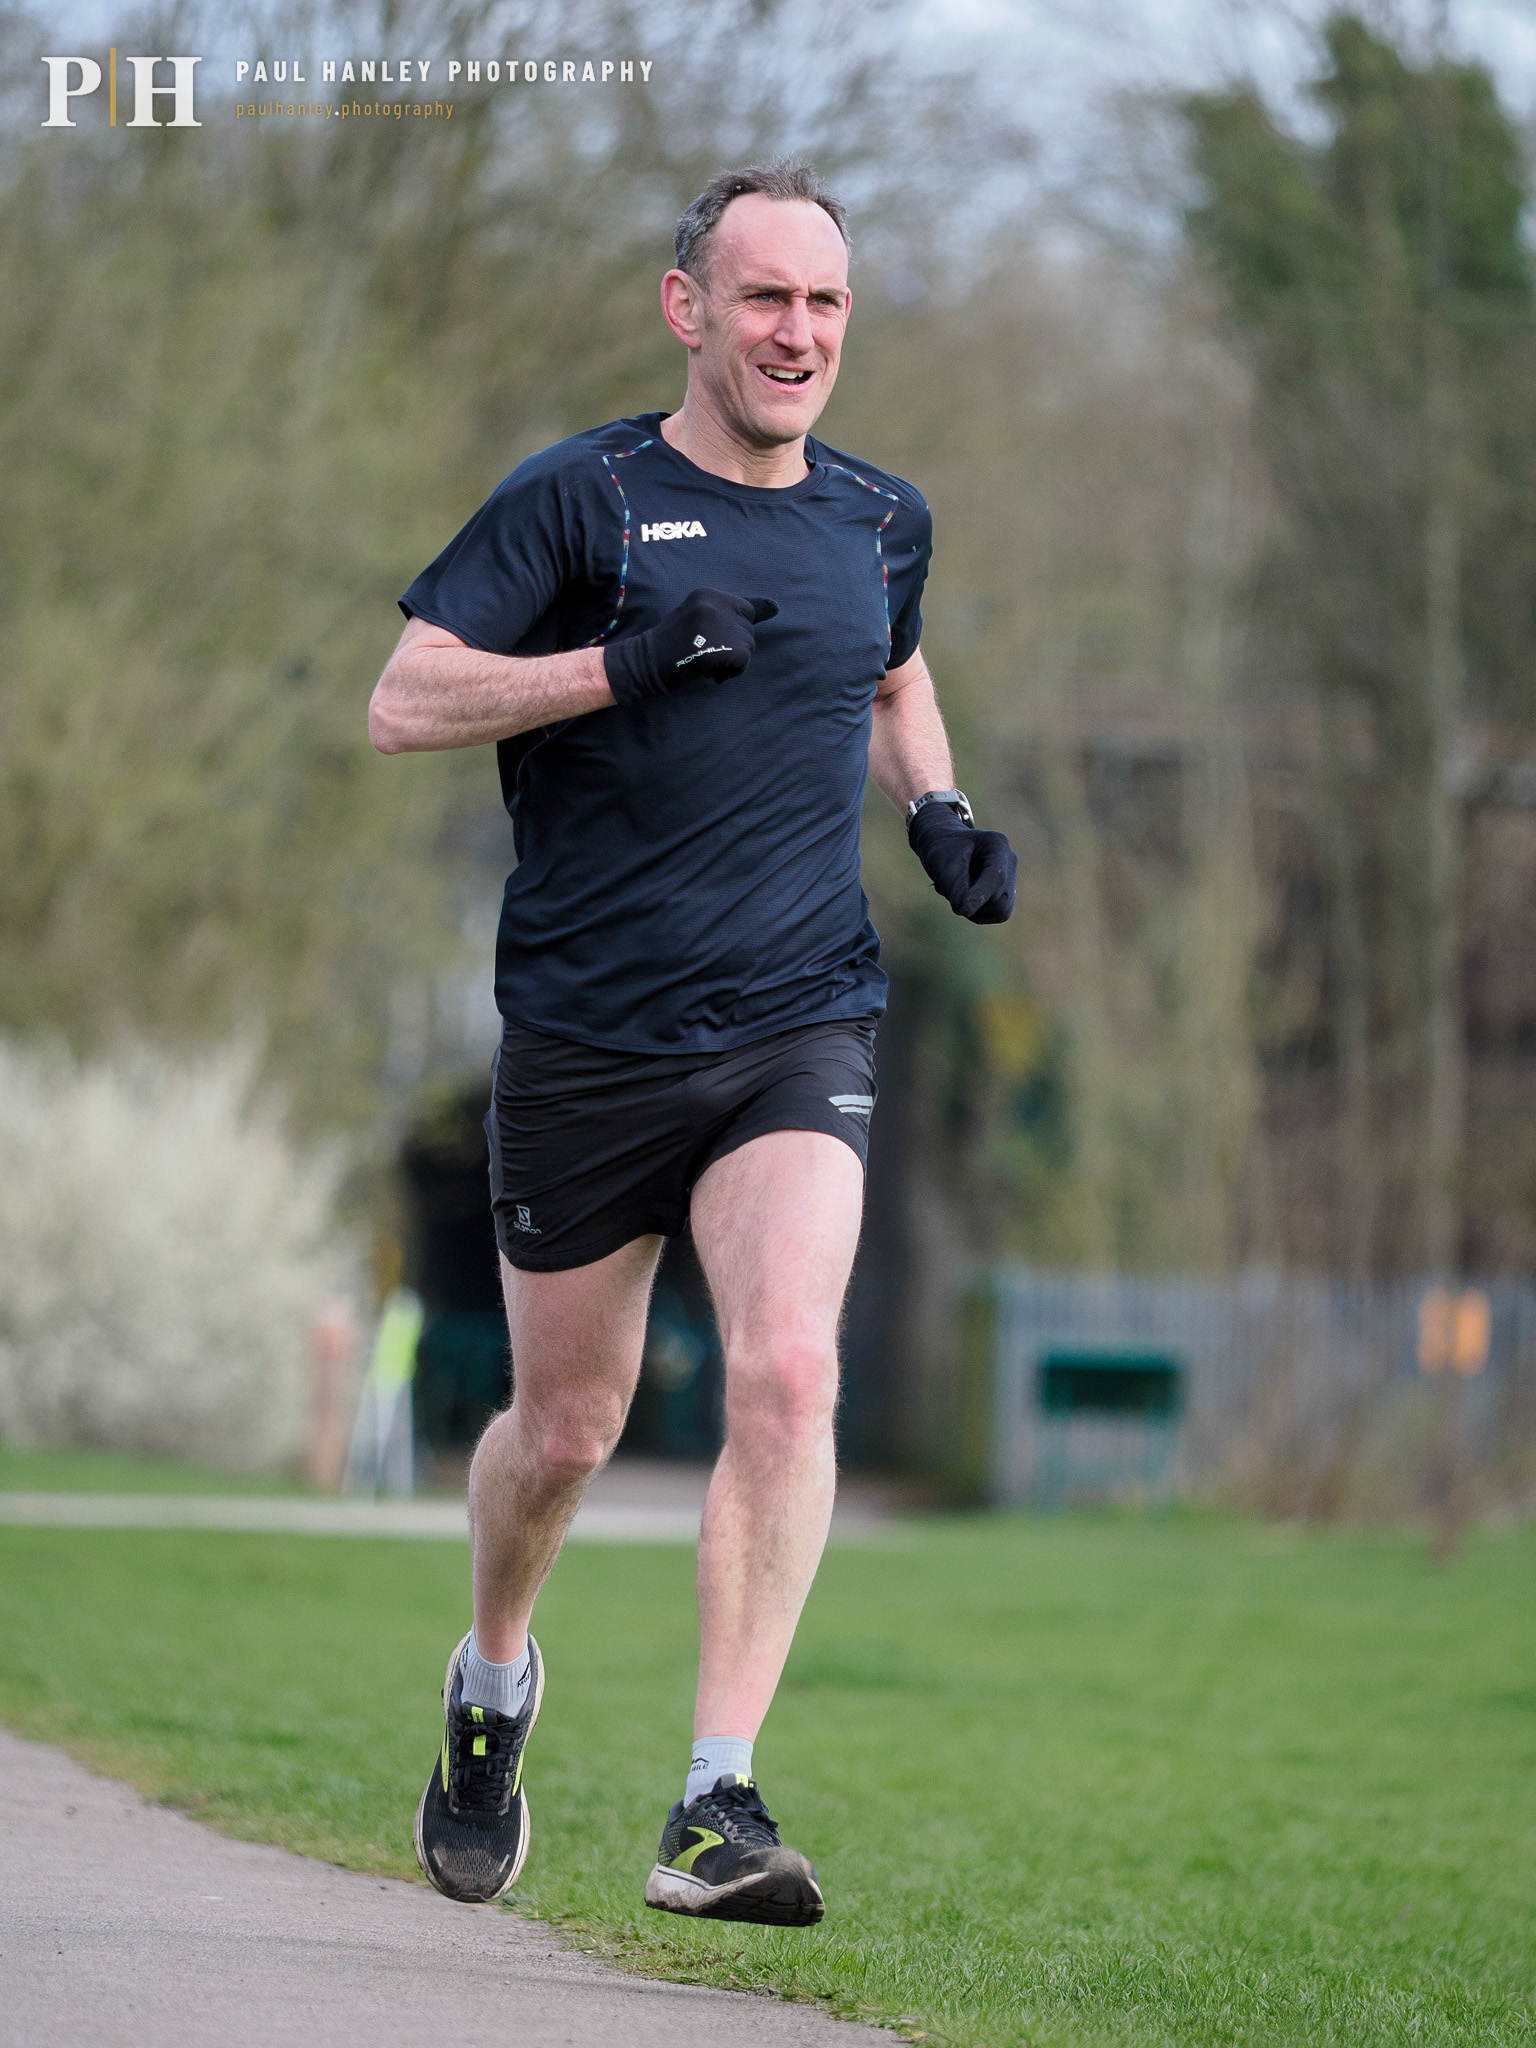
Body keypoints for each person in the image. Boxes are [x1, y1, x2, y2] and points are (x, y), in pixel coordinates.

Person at [368, 159, 1016, 1927]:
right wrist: (616, 666)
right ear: (688, 310)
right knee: (563, 1433)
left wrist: (939, 804)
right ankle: (493, 1681)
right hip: (587, 1038)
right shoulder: (578, 499)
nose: (796, 332)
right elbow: (404, 698)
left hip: (799, 1017)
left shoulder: (882, 519)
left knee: (790, 1373)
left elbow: (890, 668)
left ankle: (715, 1800)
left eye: (824, 302)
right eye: (762, 298)